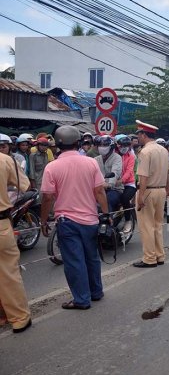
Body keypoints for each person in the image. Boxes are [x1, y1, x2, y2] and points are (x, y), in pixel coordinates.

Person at [40, 125, 109, 310]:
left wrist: (43, 220)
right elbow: (100, 191)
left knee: (74, 261)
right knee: (91, 258)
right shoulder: (91, 162)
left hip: (67, 221)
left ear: (57, 145)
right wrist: (105, 213)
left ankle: (81, 299)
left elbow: (47, 197)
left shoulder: (52, 167)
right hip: (91, 219)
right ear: (78, 143)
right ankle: (96, 292)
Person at [0, 148, 31, 332]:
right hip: (1, 224)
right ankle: (19, 317)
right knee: (9, 274)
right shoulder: (5, 160)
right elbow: (25, 186)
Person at [133, 120, 169, 268]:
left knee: (146, 226)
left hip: (148, 190)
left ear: (143, 134)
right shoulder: (163, 150)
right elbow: (168, 173)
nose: (138, 138)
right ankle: (159, 255)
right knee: (157, 225)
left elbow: (143, 176)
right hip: (161, 190)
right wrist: (168, 189)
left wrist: (141, 196)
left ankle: (149, 258)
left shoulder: (145, 152)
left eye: (139, 135)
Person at [94, 136, 123, 213]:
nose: (102, 147)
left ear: (111, 147)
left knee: (107, 199)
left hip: (115, 189)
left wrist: (109, 183)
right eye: (100, 145)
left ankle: (108, 221)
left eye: (105, 145)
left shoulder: (117, 158)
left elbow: (115, 172)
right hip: (98, 188)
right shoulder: (96, 159)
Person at [115, 135, 136, 233]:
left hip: (129, 184)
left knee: (124, 198)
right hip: (114, 184)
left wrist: (121, 180)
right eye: (122, 145)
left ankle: (128, 220)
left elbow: (129, 171)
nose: (124, 148)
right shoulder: (113, 155)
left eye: (127, 146)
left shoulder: (131, 157)